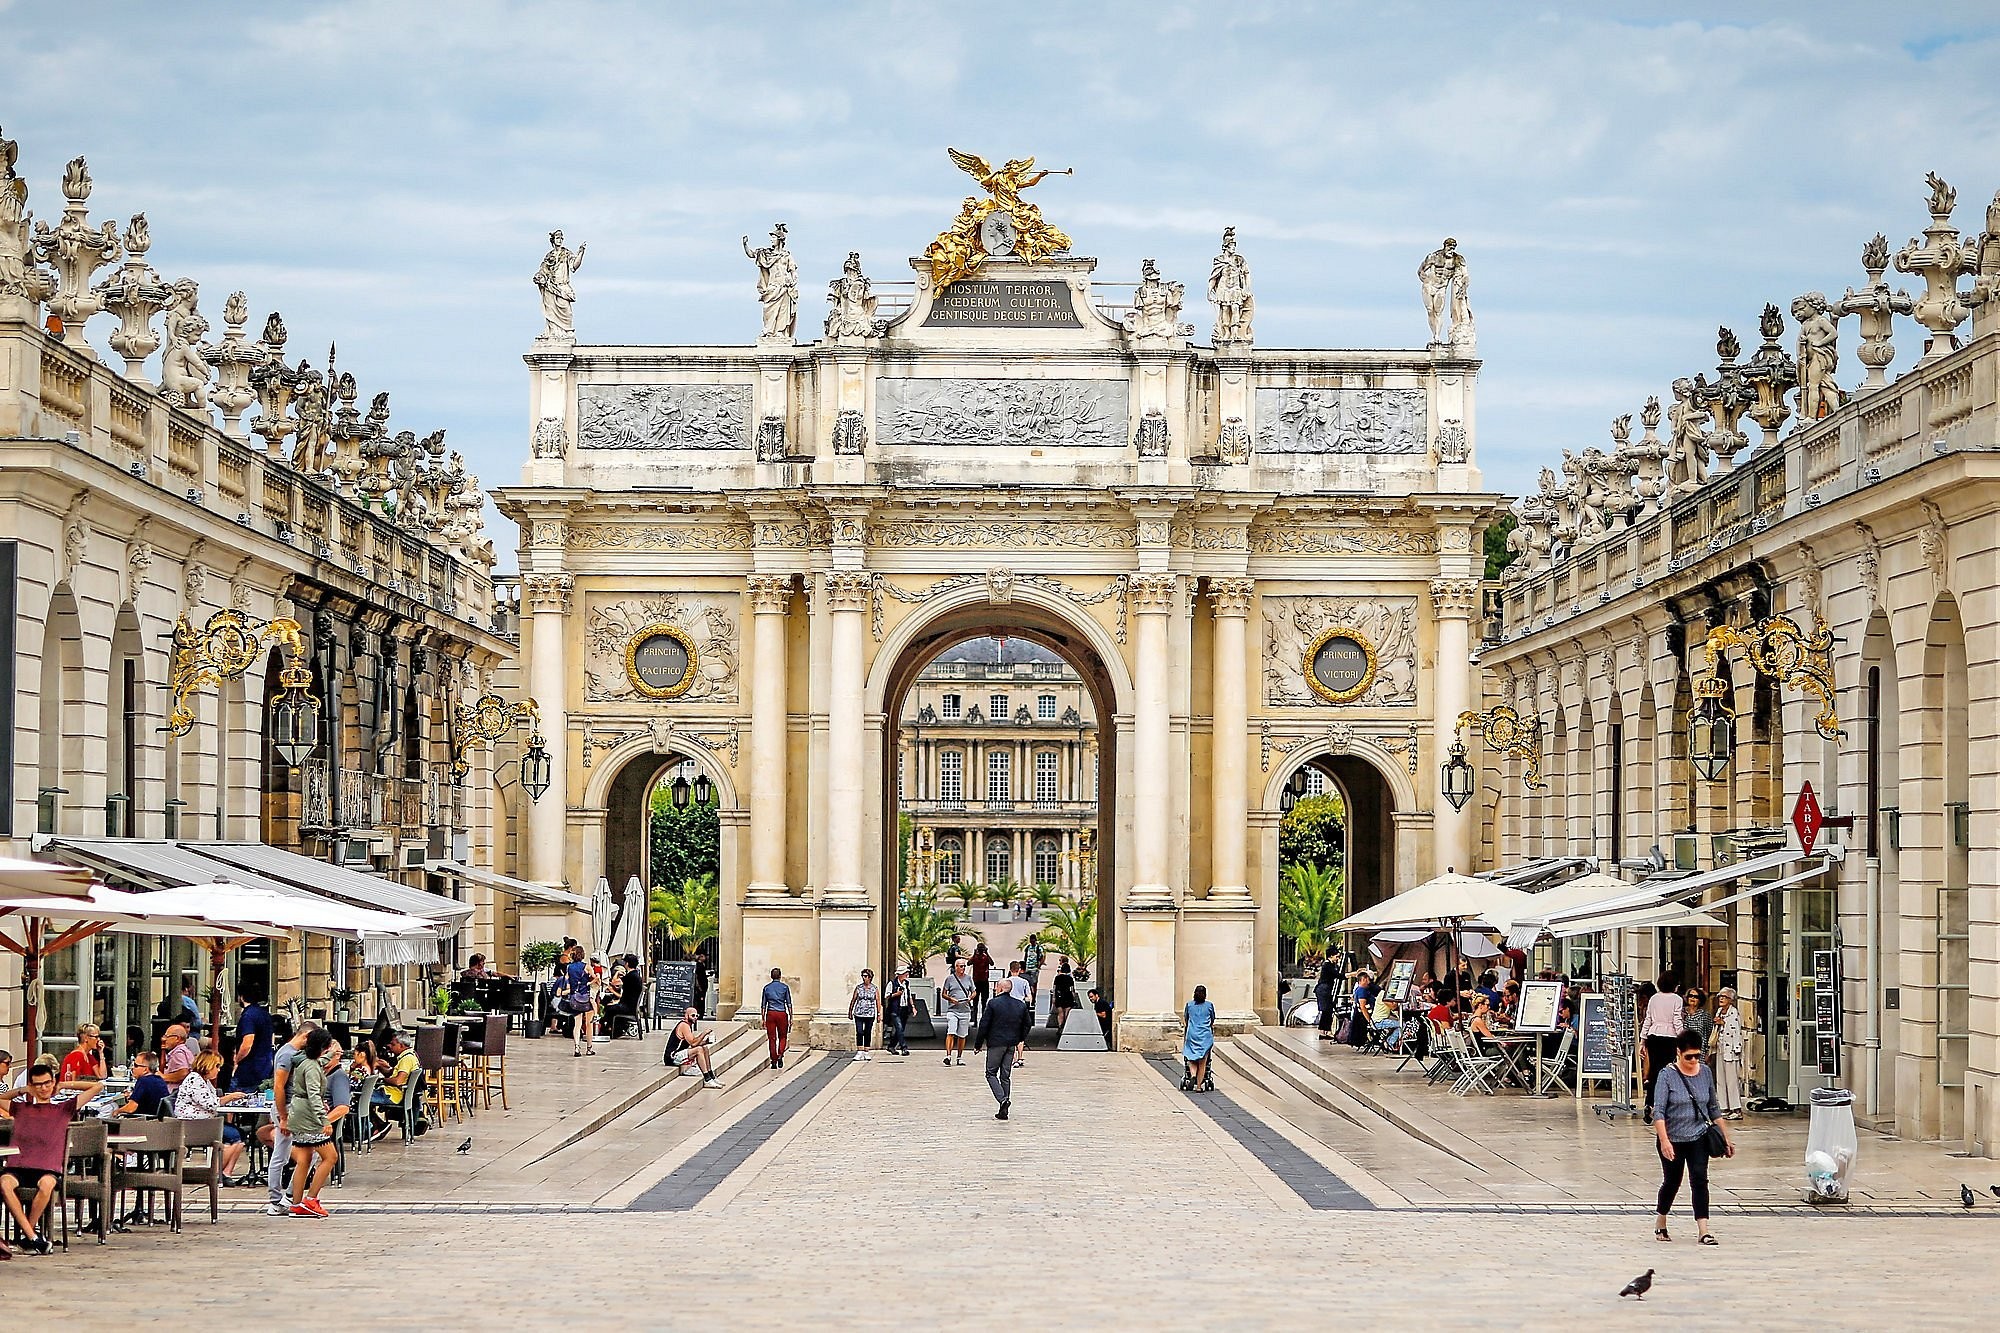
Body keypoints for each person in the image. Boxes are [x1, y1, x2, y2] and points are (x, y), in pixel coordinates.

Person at [1, 1060, 100, 1253]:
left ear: (52, 1082)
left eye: (47, 1083)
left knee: (46, 1185)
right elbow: (1, 1097)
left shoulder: (64, 1108)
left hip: (47, 1167)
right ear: (32, 1085)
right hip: (18, 1166)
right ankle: (32, 1236)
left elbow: (97, 1086)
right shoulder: (20, 1108)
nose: (43, 1088)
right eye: (38, 1084)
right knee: (4, 1183)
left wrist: (63, 1084)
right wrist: (22, 1090)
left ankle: (29, 1236)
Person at [1653, 1032, 1733, 1244]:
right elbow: (1658, 1112)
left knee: (1699, 1180)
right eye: (1689, 1056)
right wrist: (1664, 1141)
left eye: (1698, 1056)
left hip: (1698, 1137)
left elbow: (1713, 1108)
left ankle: (1703, 1231)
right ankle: (1661, 1221)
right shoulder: (1666, 1075)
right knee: (1672, 1181)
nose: (1694, 1061)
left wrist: (1726, 1137)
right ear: (1678, 1053)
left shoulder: (1705, 1073)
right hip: (1673, 1138)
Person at [263, 1022, 316, 1217]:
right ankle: (278, 1199)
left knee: (287, 1153)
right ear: (305, 1037)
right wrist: (283, 1116)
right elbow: (279, 1086)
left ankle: (284, 1197)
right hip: (287, 1109)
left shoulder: (290, 1053)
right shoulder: (287, 1055)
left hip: (292, 1109)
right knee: (285, 1154)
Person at [173, 1050, 250, 1182]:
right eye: (217, 1066)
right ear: (207, 1065)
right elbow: (211, 1104)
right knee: (234, 1136)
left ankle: (226, 1173)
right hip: (193, 1125)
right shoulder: (194, 1080)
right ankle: (214, 1173)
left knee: (240, 1135)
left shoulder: (204, 1081)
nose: (218, 1070)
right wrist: (230, 1097)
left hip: (205, 1122)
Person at [286, 1027, 338, 1218]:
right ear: (323, 1047)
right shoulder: (312, 1068)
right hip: (309, 1115)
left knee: (304, 1160)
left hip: (298, 1113)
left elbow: (317, 1063)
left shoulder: (305, 1060)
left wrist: (331, 1054)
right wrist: (324, 1119)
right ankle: (311, 1199)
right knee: (330, 1157)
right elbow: (314, 1095)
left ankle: (297, 1203)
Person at [972, 977, 1033, 1120]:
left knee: (990, 1073)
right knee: (1005, 1076)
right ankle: (1003, 1110)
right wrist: (1020, 1038)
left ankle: (1003, 1100)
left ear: (999, 988)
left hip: (996, 1043)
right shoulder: (1020, 1005)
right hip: (1011, 1043)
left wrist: (978, 1044)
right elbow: (1027, 1024)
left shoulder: (993, 1003)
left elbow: (984, 1024)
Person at [1641, 973, 1685, 1119]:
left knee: (1654, 1071)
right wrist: (1682, 1037)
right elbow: (1677, 1020)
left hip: (1654, 1035)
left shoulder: (1654, 998)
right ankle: (1665, 1104)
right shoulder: (1677, 999)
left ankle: (1649, 1102)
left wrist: (1643, 1039)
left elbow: (1648, 1019)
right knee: (1669, 1072)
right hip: (1670, 1037)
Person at [369, 1032, 421, 1141]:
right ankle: (378, 1125)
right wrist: (380, 1066)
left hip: (391, 1095)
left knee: (359, 1099)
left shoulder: (407, 1059)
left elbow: (398, 1081)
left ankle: (375, 1127)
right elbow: (391, 1073)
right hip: (391, 1092)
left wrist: (381, 1080)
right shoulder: (408, 1056)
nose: (389, 1046)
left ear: (401, 1045)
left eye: (393, 1044)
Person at [665, 1006, 724, 1088]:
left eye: (696, 1016)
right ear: (686, 1016)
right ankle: (707, 1079)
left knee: (704, 1048)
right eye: (693, 1015)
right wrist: (704, 1034)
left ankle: (711, 1076)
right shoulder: (684, 1025)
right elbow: (693, 1044)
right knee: (699, 1050)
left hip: (680, 1053)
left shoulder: (688, 1025)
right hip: (672, 1056)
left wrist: (706, 1042)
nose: (695, 1018)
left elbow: (693, 1042)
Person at [232, 984, 275, 1094]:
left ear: (241, 997)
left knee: (237, 1098)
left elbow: (247, 1043)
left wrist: (237, 1060)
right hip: (265, 1064)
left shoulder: (248, 1016)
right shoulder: (265, 1014)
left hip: (250, 1068)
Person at [1711, 988, 1747, 1119]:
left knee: (1732, 1080)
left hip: (1731, 1050)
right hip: (1721, 1048)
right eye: (1720, 996)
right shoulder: (1720, 1011)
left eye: (1724, 997)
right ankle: (1724, 1106)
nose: (1721, 999)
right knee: (1721, 1079)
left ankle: (1736, 1109)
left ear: (1730, 999)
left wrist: (1723, 1023)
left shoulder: (1734, 1013)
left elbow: (1735, 1031)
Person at [562, 945, 597, 1056]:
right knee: (588, 1024)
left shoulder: (569, 968)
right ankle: (589, 1048)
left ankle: (577, 1047)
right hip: (585, 997)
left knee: (577, 1024)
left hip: (574, 998)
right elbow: (595, 979)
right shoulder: (587, 966)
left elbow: (566, 981)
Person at [940, 959, 975, 1066]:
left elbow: (974, 991)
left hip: (965, 1010)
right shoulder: (950, 979)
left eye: (964, 966)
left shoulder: (969, 978)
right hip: (953, 1010)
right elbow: (943, 993)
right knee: (951, 1032)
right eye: (960, 966)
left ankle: (959, 1056)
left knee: (962, 1035)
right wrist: (951, 999)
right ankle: (948, 1055)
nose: (963, 968)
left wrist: (970, 998)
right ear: (956, 967)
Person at [1181, 985, 1216, 1092]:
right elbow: (1212, 1018)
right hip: (1205, 1035)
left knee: (1192, 1058)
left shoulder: (1189, 1005)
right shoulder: (1209, 1005)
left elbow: (1186, 1018)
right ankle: (1199, 1086)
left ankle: (1192, 1075)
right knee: (1202, 1062)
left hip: (1192, 1034)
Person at [118, 1051, 172, 1117]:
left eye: (135, 1065)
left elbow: (131, 1108)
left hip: (144, 1121)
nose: (132, 1068)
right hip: (158, 1119)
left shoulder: (143, 1081)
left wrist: (117, 1111)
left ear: (145, 1069)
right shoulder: (160, 1080)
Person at [761, 966, 793, 1070]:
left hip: (770, 1013)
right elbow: (789, 1003)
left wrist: (763, 1018)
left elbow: (763, 1005)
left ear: (771, 976)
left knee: (772, 1038)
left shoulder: (766, 988)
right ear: (780, 976)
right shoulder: (785, 987)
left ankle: (773, 1060)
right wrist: (791, 1017)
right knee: (783, 1036)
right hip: (782, 1013)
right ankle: (780, 1054)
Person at [847, 968, 879, 1061]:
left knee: (867, 1032)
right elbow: (854, 999)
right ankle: (859, 1051)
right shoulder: (859, 988)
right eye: (863, 976)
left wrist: (879, 1014)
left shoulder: (874, 988)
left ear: (870, 977)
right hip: (859, 1013)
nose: (863, 978)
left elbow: (877, 1001)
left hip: (870, 1013)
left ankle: (866, 1051)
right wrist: (850, 1011)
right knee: (860, 1031)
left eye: (865, 976)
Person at [882, 965, 913, 1057]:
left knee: (901, 1029)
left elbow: (909, 995)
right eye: (905, 973)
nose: (907, 974)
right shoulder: (892, 983)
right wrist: (897, 994)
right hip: (895, 1009)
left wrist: (913, 1006)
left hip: (904, 1009)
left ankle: (891, 1046)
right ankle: (904, 1047)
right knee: (899, 1028)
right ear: (900, 974)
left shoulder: (906, 983)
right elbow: (887, 996)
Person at [159, 1022, 196, 1089]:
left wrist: (164, 1077)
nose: (164, 1039)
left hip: (175, 1094)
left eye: (167, 1036)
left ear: (177, 1038)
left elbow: (183, 1073)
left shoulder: (178, 1053)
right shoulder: (183, 1050)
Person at [1681, 986, 1714, 1052]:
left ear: (1700, 1000)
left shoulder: (1705, 1015)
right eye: (1691, 995)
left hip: (1699, 1050)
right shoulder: (1682, 1012)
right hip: (1683, 1049)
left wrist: (1708, 1051)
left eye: (1696, 997)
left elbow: (1709, 1034)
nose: (1692, 998)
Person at [1313, 959, 1338, 1041]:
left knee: (1327, 1010)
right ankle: (1325, 1031)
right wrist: (1351, 974)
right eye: (1336, 956)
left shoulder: (1329, 965)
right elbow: (1338, 975)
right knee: (1327, 1009)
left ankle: (1324, 1031)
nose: (1337, 958)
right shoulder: (1327, 965)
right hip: (1324, 990)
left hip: (1324, 990)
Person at [969, 943, 992, 1024]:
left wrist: (987, 954)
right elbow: (969, 963)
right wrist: (974, 954)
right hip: (977, 981)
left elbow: (992, 963)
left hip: (983, 981)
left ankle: (982, 1020)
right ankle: (975, 1020)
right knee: (976, 1002)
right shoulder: (975, 957)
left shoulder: (985, 957)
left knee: (983, 1002)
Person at [1051, 967, 1079, 1035]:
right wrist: (1074, 998)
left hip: (1059, 996)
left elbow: (1054, 988)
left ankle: (1060, 1026)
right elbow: (1072, 990)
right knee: (1067, 1012)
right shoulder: (1070, 978)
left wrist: (1054, 997)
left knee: (1060, 1013)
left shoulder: (1057, 978)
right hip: (1068, 996)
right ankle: (1066, 1026)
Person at [1022, 933, 1045, 998]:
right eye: (1031, 940)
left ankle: (1034, 997)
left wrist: (1039, 966)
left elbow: (1042, 957)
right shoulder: (1028, 947)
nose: (1032, 942)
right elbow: (1025, 957)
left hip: (1034, 968)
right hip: (1027, 968)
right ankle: (1029, 996)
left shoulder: (1038, 948)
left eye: (1033, 940)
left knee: (1034, 983)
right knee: (1027, 983)